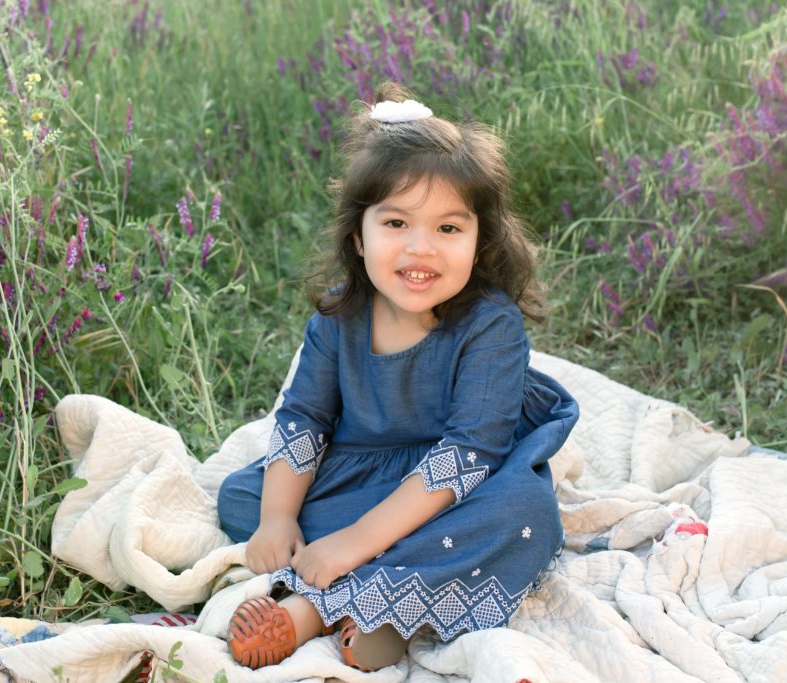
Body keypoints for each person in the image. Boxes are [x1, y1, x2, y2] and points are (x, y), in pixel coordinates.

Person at [217, 82, 579, 672]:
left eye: (447, 229)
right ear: (357, 237)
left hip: (465, 481)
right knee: (244, 497)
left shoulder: (491, 325)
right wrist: (279, 518)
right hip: (366, 472)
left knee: (524, 514)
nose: (421, 249)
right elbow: (304, 419)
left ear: (480, 240)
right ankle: (392, 603)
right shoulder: (339, 319)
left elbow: (473, 449)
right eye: (396, 223)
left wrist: (357, 540)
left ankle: (322, 610)